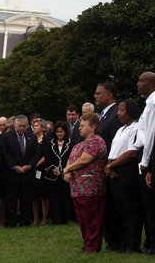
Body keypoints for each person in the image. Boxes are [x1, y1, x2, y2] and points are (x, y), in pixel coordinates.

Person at [63, 113, 107, 253]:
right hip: (77, 189)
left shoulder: (96, 141)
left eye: (82, 126)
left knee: (92, 218)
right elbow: (71, 159)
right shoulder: (78, 144)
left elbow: (84, 160)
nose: (80, 128)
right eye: (79, 126)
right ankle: (87, 244)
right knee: (82, 219)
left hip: (91, 187)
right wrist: (68, 171)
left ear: (93, 127)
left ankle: (93, 246)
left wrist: (67, 169)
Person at [103, 100, 143, 253]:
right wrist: (109, 166)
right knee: (120, 208)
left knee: (131, 209)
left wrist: (112, 165)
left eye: (121, 110)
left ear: (131, 111)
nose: (118, 113)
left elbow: (132, 152)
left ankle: (132, 244)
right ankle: (123, 241)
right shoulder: (120, 130)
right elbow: (113, 150)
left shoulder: (136, 128)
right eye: (118, 110)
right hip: (114, 170)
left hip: (126, 170)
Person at [94, 83, 123, 252]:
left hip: (113, 168)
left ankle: (116, 240)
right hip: (102, 167)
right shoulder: (103, 115)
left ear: (110, 94)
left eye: (99, 93)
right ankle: (111, 239)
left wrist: (111, 164)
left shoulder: (117, 114)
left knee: (113, 207)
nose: (96, 96)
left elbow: (116, 142)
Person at [129, 72, 155, 255]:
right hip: (146, 155)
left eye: (142, 80)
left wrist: (145, 163)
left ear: (151, 83)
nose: (138, 84)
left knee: (151, 204)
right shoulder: (148, 104)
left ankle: (153, 243)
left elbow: (151, 135)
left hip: (149, 157)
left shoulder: (153, 103)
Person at [1, 115, 40, 227]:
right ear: (15, 125)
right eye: (19, 126)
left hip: (27, 173)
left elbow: (36, 154)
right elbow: (5, 153)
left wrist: (29, 165)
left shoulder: (32, 137)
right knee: (11, 200)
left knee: (26, 199)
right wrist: (14, 166)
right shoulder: (7, 137)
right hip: (12, 173)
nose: (22, 128)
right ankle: (11, 222)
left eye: (24, 126)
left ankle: (25, 221)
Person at [43, 121, 73, 225]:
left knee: (65, 197)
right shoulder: (50, 143)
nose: (59, 134)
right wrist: (52, 168)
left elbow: (72, 157)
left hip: (66, 173)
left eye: (61, 132)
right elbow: (47, 157)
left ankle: (65, 219)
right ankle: (56, 219)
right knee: (55, 197)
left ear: (65, 132)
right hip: (53, 175)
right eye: (57, 132)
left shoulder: (70, 143)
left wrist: (67, 169)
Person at [32, 118, 49, 225]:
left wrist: (35, 164)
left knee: (43, 195)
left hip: (42, 170)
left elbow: (46, 156)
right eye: (34, 126)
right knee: (34, 195)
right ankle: (35, 219)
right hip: (32, 170)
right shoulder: (32, 139)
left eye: (37, 126)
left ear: (42, 128)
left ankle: (44, 218)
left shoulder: (47, 140)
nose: (35, 127)